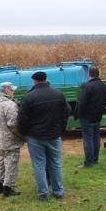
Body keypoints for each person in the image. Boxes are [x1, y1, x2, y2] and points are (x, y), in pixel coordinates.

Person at [18, 72, 71, 201]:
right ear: (46, 79)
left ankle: (43, 193)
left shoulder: (29, 97)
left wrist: (24, 134)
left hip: (35, 137)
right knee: (55, 163)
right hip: (54, 135)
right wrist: (60, 129)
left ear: (34, 81)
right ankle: (58, 191)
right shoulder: (58, 94)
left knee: (39, 165)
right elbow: (67, 112)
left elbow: (22, 119)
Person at [0, 82, 24, 197]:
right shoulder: (9, 104)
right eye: (11, 89)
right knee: (11, 163)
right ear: (6, 90)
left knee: (1, 162)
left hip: (0, 139)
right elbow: (13, 124)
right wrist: (22, 136)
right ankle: (8, 188)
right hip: (10, 139)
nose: (13, 91)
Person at [75, 67, 106, 168]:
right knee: (96, 138)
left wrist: (78, 114)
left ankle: (88, 162)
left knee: (88, 139)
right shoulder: (104, 86)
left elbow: (82, 102)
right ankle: (95, 159)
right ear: (98, 74)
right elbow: (105, 101)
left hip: (87, 116)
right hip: (98, 115)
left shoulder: (87, 87)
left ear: (89, 75)